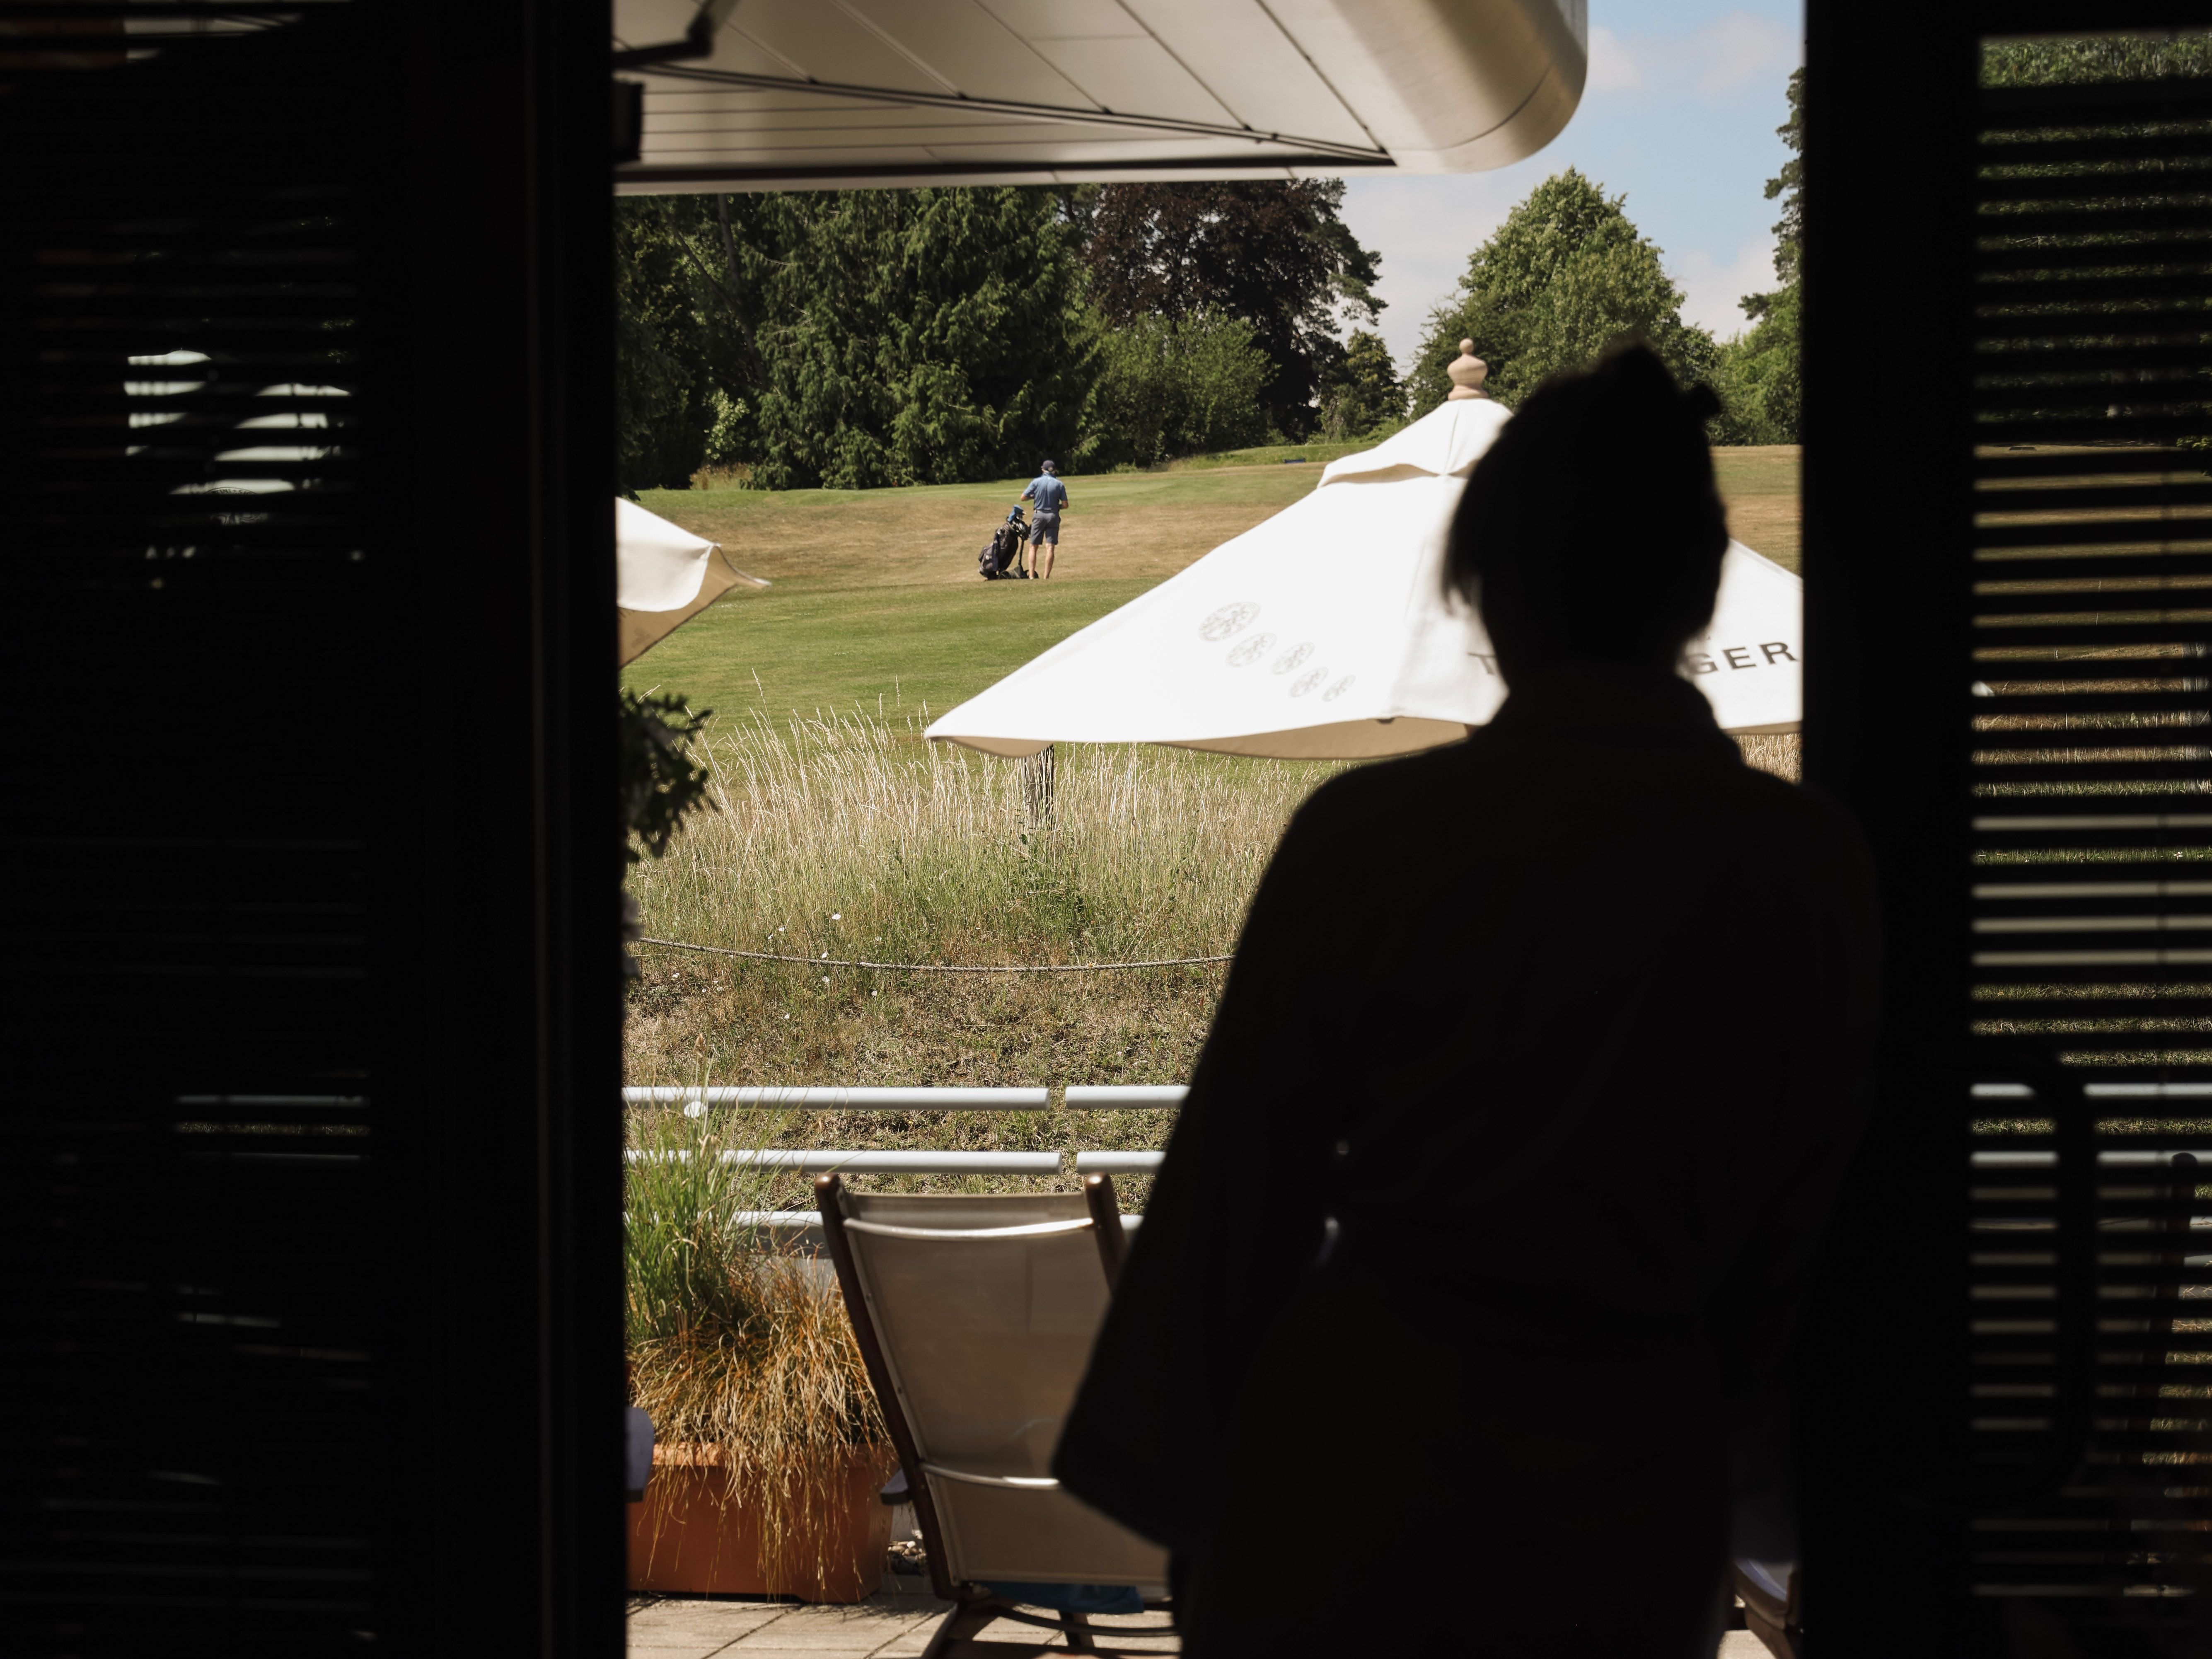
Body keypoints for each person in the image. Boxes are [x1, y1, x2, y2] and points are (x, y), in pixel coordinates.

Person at [1050, 342, 1879, 1657]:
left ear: (1486, 588)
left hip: (1349, 1462)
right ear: (1699, 580)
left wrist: (1189, 1513)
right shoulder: (1808, 870)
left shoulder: (1370, 839)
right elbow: (1814, 1244)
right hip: (1628, 1489)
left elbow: (1230, 1196)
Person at [1018, 459, 1068, 579]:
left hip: (1039, 515)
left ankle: (1031, 576)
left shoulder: (1036, 482)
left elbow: (1023, 498)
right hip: (1053, 516)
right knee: (1050, 547)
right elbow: (1066, 505)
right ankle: (1046, 577)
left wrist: (1033, 497)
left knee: (1033, 546)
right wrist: (1057, 507)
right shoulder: (1059, 484)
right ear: (1054, 471)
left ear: (1043, 470)